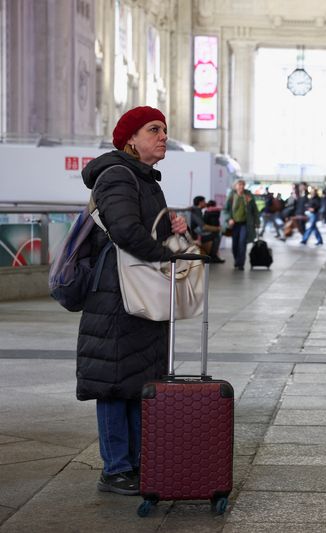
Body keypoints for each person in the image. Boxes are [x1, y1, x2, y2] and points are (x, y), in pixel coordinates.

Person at [77, 106, 188, 495]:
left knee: (138, 380)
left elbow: (145, 231)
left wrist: (175, 232)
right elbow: (125, 230)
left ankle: (137, 463)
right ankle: (116, 469)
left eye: (164, 130)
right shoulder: (117, 175)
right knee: (113, 382)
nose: (162, 137)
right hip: (115, 294)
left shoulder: (144, 180)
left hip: (136, 292)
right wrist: (167, 252)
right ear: (130, 139)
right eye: (153, 130)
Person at [224, 179, 259, 270]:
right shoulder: (232, 196)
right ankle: (237, 260)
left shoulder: (248, 195)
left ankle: (241, 263)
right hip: (234, 224)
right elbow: (225, 210)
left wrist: (257, 222)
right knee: (235, 244)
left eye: (243, 185)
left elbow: (254, 209)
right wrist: (229, 219)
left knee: (242, 242)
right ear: (235, 186)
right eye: (239, 185)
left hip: (245, 224)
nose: (241, 187)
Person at [189, 195, 224, 263]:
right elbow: (203, 227)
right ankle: (213, 257)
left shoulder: (197, 210)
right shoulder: (196, 211)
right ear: (200, 202)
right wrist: (217, 229)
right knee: (216, 236)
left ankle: (212, 256)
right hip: (196, 236)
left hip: (197, 234)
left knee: (215, 234)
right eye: (204, 201)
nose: (206, 203)